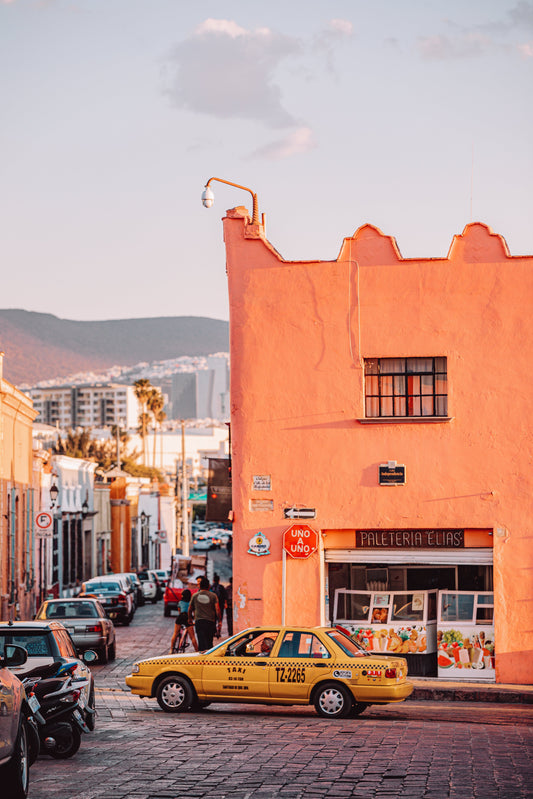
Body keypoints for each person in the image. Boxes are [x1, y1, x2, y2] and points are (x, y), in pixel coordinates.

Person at [188, 576, 221, 652]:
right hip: (210, 622)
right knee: (209, 642)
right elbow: (217, 610)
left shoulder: (195, 596)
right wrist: (219, 621)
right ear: (208, 586)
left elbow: (190, 609)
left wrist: (189, 619)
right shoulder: (213, 596)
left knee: (201, 641)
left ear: (200, 585)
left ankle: (202, 658)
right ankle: (209, 658)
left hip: (199, 622)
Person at [170, 589, 198, 653]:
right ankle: (197, 651)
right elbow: (193, 612)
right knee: (192, 637)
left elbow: (179, 611)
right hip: (188, 617)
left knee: (175, 633)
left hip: (180, 617)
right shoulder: (191, 603)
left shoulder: (180, 602)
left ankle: (171, 649)